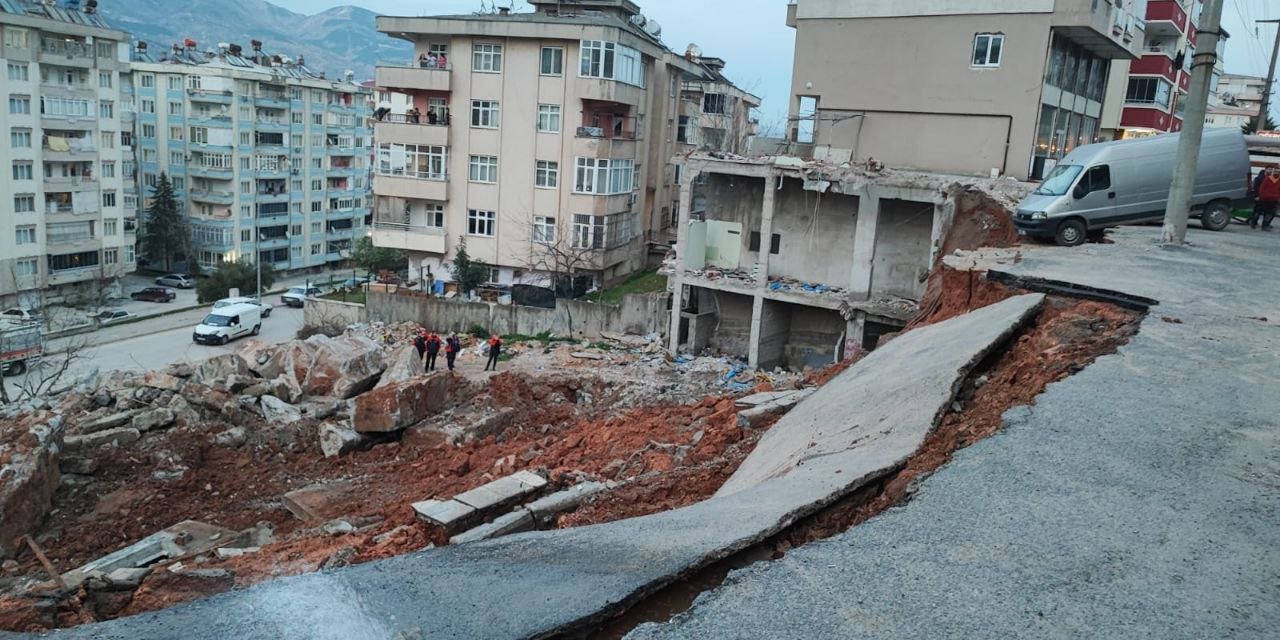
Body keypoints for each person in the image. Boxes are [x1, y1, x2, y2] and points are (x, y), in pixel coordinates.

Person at [1252, 165, 1280, 231]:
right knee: (1264, 212)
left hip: (1271, 199)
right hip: (1267, 198)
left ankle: (1262, 225)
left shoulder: (1271, 179)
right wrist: (1260, 196)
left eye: (1278, 171)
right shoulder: (1268, 178)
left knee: (1267, 212)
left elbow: (1262, 188)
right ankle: (1258, 224)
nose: (1277, 172)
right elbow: (1262, 188)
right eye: (1276, 171)